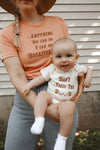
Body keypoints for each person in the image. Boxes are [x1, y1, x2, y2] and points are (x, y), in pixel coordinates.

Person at [0, 0, 92, 150]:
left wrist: (86, 74)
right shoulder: (6, 34)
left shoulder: (58, 23)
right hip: (27, 99)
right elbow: (17, 76)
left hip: (60, 97)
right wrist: (43, 108)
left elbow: (70, 58)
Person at [23, 38, 92, 150]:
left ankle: (61, 139)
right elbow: (41, 79)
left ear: (76, 57)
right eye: (59, 57)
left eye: (69, 56)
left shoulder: (76, 68)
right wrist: (29, 86)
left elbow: (88, 69)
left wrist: (88, 78)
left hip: (64, 102)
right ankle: (39, 120)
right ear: (52, 59)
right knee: (42, 94)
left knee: (70, 106)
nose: (64, 60)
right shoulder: (52, 69)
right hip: (51, 97)